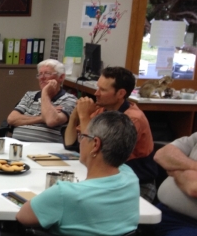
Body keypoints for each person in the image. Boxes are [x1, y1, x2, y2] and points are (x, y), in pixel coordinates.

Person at [0, 111, 140, 236]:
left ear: (95, 144)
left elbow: (23, 217)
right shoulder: (131, 178)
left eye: (83, 137)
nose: (79, 141)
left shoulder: (65, 194)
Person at [63, 66, 158, 201]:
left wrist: (84, 116)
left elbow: (94, 151)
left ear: (120, 94)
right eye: (97, 87)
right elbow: (70, 143)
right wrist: (74, 116)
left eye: (103, 90)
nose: (96, 93)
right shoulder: (103, 110)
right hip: (109, 179)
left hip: (137, 185)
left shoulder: (131, 119)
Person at [6, 59, 77, 142]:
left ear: (61, 77)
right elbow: (12, 119)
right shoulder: (30, 95)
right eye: (40, 74)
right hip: (17, 143)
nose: (42, 78)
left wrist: (45, 93)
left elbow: (51, 121)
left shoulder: (69, 99)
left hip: (46, 149)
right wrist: (42, 118)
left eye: (47, 73)